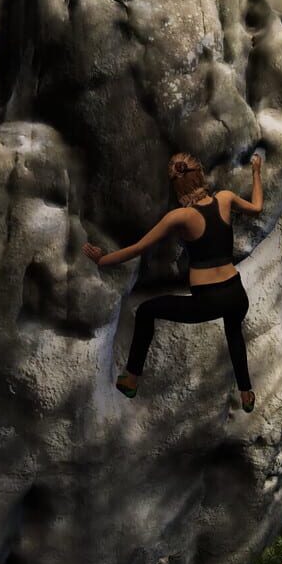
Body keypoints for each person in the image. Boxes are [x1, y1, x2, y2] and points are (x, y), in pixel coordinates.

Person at [82, 152, 263, 412]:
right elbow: (257, 208)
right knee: (233, 331)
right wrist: (256, 171)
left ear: (176, 186)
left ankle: (131, 378)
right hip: (236, 293)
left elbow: (138, 248)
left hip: (207, 301)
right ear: (200, 173)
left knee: (146, 311)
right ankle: (246, 392)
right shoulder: (225, 198)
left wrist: (103, 259)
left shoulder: (180, 217)